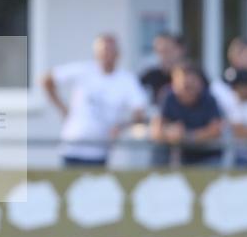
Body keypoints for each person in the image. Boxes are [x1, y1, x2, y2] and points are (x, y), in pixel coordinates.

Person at [42, 34, 147, 167]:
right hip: (72, 147)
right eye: (103, 51)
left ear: (118, 54)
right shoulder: (83, 70)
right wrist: (62, 108)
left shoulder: (126, 80)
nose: (106, 56)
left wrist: (122, 127)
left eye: (110, 51)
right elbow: (46, 79)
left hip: (99, 150)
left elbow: (139, 112)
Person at [149, 62, 223, 166]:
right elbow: (156, 131)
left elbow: (216, 130)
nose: (187, 89)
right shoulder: (168, 98)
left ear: (200, 83)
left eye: (191, 84)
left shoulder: (209, 99)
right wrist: (170, 133)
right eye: (183, 84)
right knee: (159, 154)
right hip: (176, 158)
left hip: (205, 157)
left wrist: (188, 136)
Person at [140, 33, 185, 105]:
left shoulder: (192, 76)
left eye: (168, 50)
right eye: (161, 51)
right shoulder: (149, 76)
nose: (165, 55)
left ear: (180, 50)